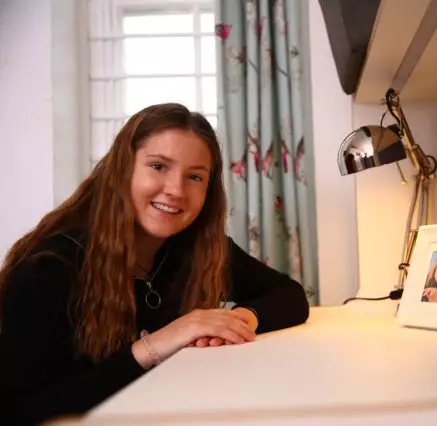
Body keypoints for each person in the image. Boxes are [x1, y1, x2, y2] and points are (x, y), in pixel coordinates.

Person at [0, 103, 310, 425]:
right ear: (122, 169)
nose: (176, 190)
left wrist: (238, 320)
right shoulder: (47, 267)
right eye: (159, 167)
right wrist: (159, 343)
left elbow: (290, 295)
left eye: (194, 176)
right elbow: (18, 411)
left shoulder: (199, 249)